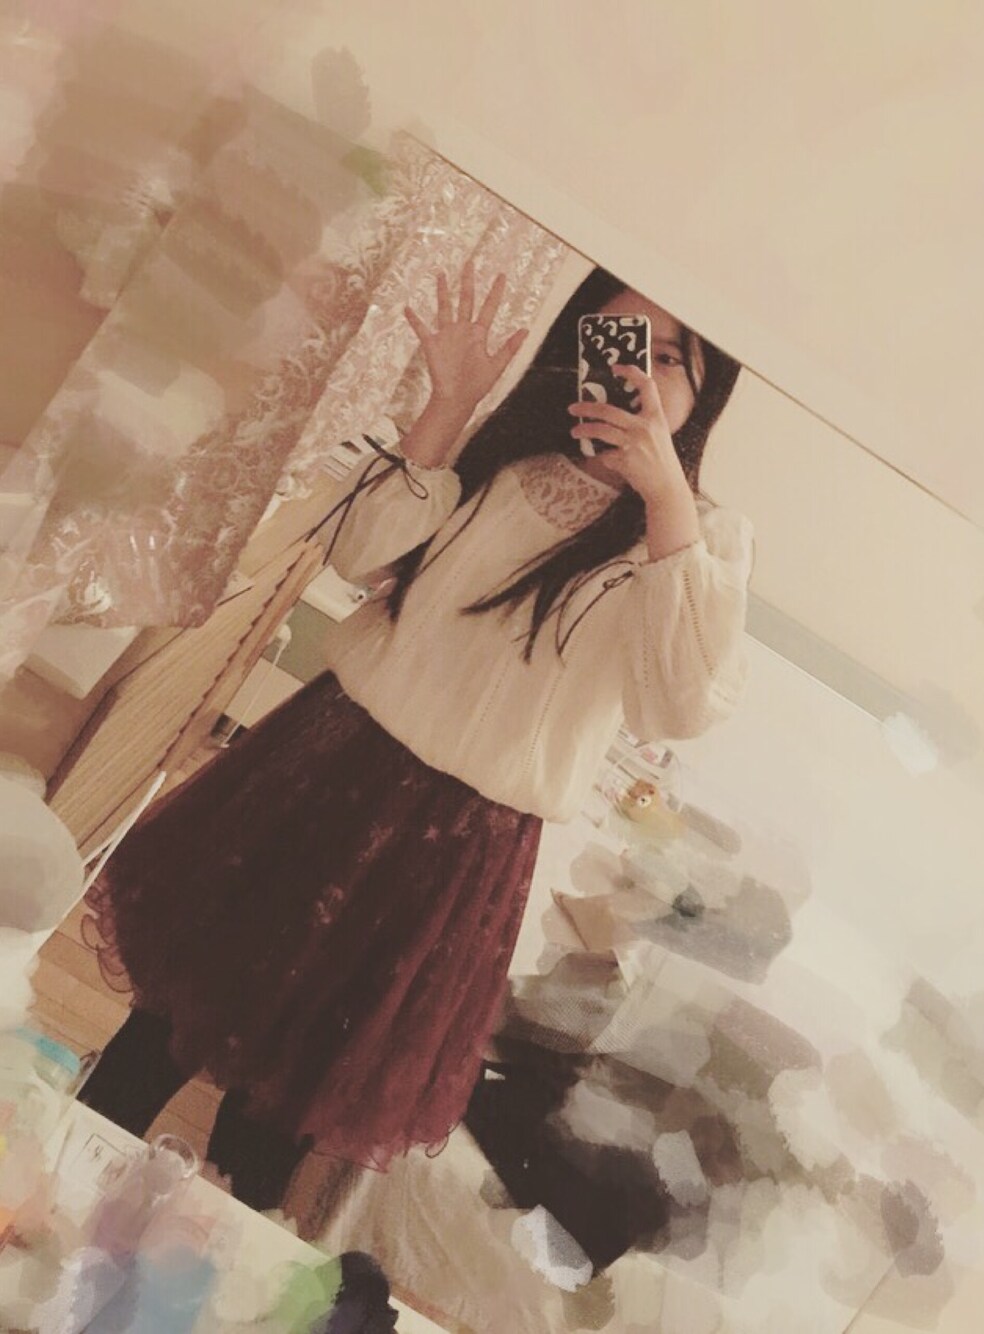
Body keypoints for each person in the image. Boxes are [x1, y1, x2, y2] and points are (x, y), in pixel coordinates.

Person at [80, 261, 754, 1209]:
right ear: (581, 349)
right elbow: (359, 554)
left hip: (456, 851)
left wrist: (665, 500)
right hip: (328, 768)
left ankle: (182, 1271)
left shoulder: (699, 542)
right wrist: (449, 406)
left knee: (277, 1120)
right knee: (159, 1037)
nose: (639, 372)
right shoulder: (510, 459)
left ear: (707, 393)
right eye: (621, 341)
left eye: (670, 358)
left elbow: (677, 708)